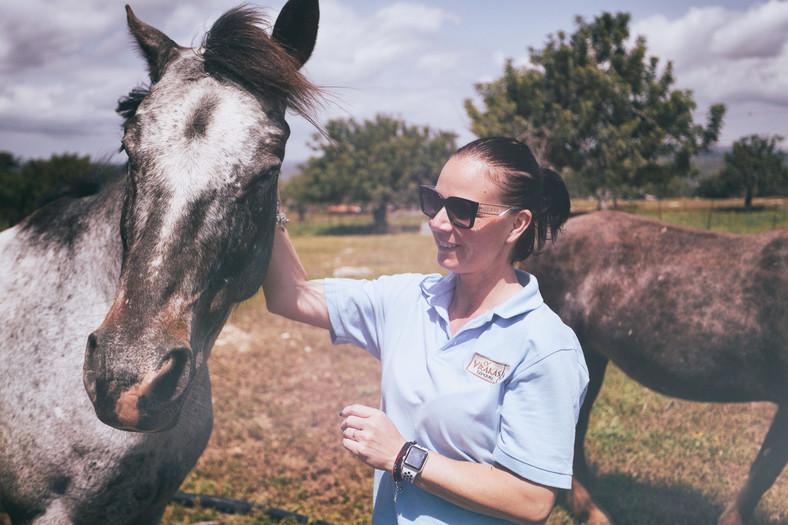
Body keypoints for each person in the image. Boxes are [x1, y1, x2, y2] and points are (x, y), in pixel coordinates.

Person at [262, 137, 589, 524]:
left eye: (462, 211)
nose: (437, 221)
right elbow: (291, 294)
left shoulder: (545, 346)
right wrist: (266, 192)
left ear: (516, 224)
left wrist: (403, 456)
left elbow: (531, 499)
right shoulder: (407, 299)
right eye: (434, 202)